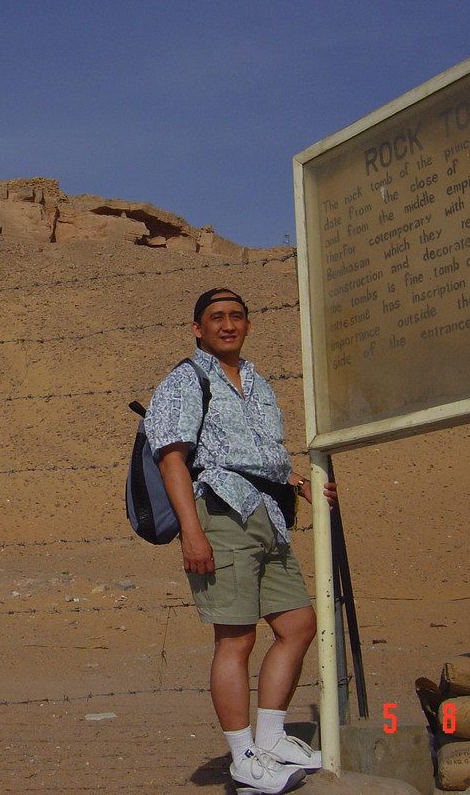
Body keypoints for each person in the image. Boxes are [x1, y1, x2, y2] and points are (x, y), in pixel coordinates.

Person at [143, 288, 337, 794]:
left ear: (248, 325)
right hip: (219, 512)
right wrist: (192, 532)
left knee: (297, 623)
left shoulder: (257, 382)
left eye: (236, 316)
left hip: (266, 514)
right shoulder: (187, 380)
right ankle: (242, 755)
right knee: (236, 638)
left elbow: (260, 454)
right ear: (197, 329)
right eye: (216, 317)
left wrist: (298, 484)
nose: (227, 324)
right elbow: (172, 460)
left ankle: (271, 738)